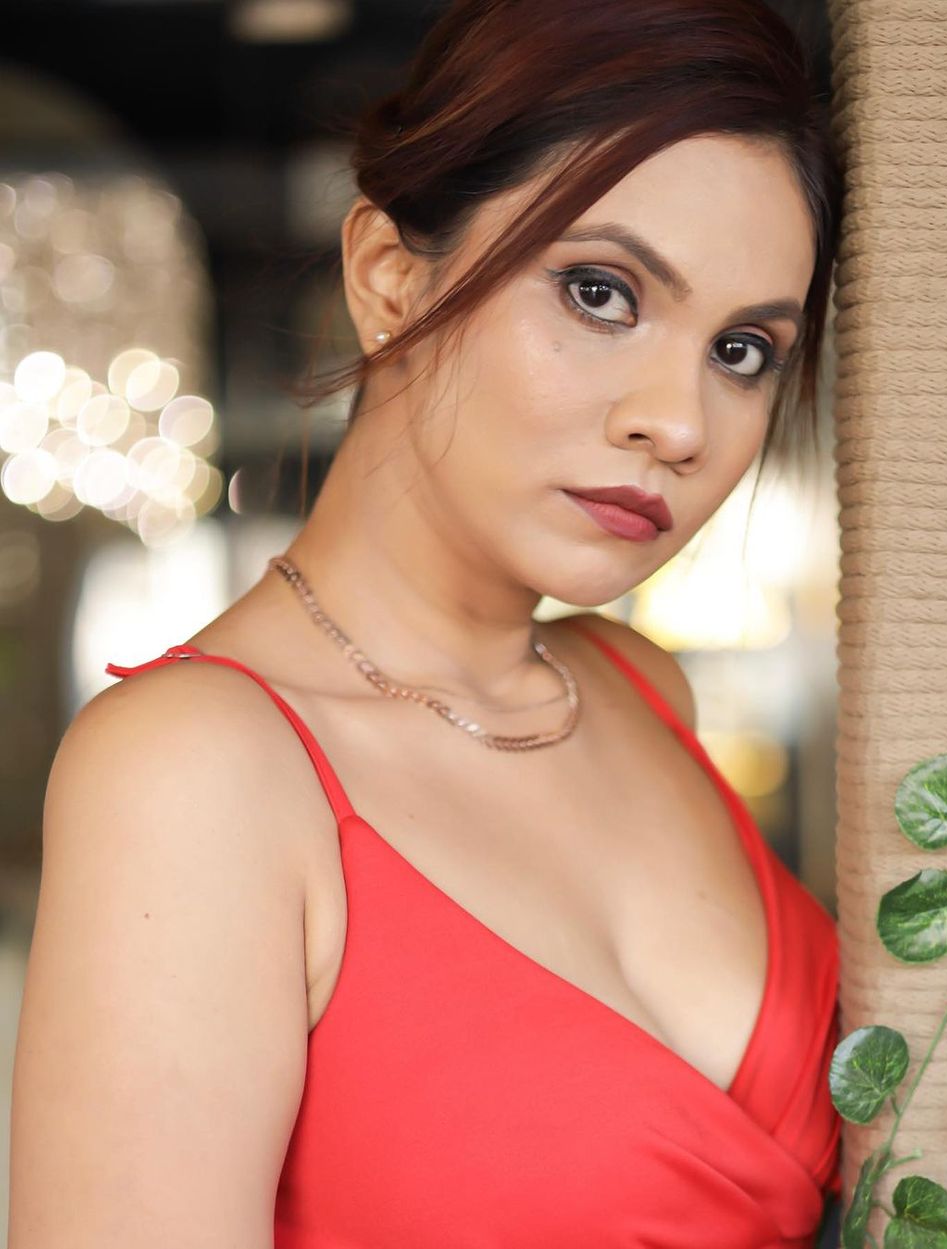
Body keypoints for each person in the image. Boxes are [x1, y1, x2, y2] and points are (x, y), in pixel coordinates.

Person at [9, 0, 845, 1245]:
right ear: (390, 278)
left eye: (740, 350)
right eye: (601, 292)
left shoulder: (636, 686)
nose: (678, 422)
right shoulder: (196, 772)